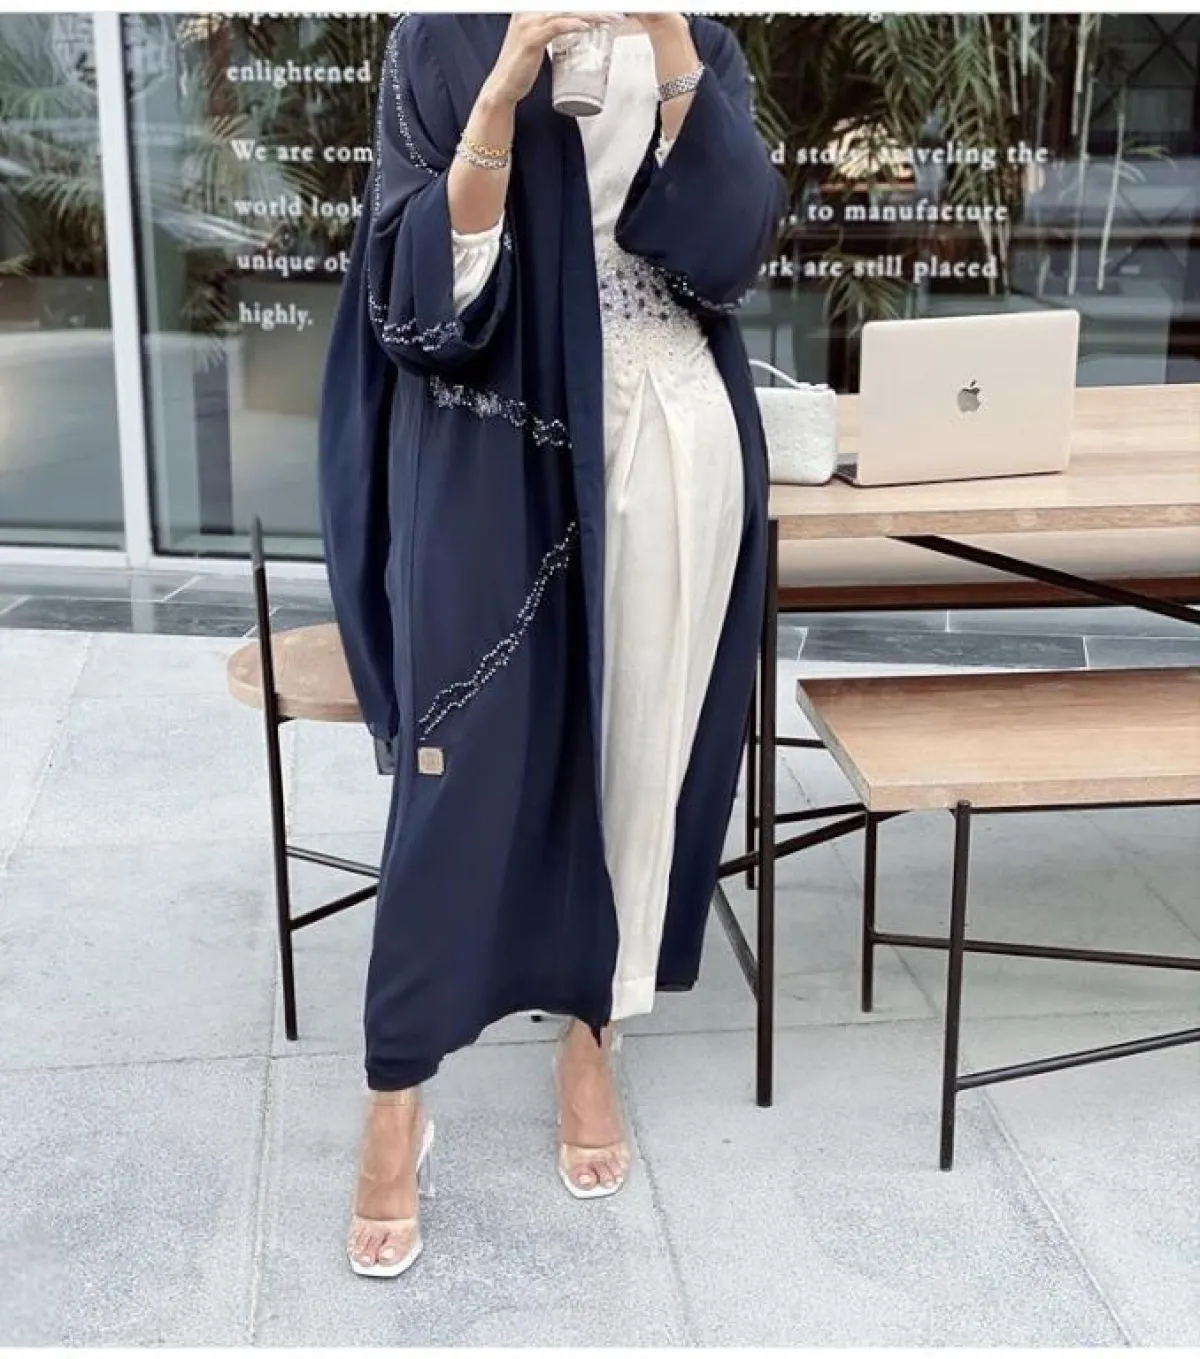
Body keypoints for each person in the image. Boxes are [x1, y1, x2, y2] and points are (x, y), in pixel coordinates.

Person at [319, 10, 784, 1278]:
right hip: (495, 449)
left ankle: (594, 1034)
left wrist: (672, 48)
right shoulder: (442, 39)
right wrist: (503, 91)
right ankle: (398, 1090)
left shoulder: (698, 41)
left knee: (643, 753)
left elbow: (729, 256)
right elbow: (417, 292)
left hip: (673, 429)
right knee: (458, 772)